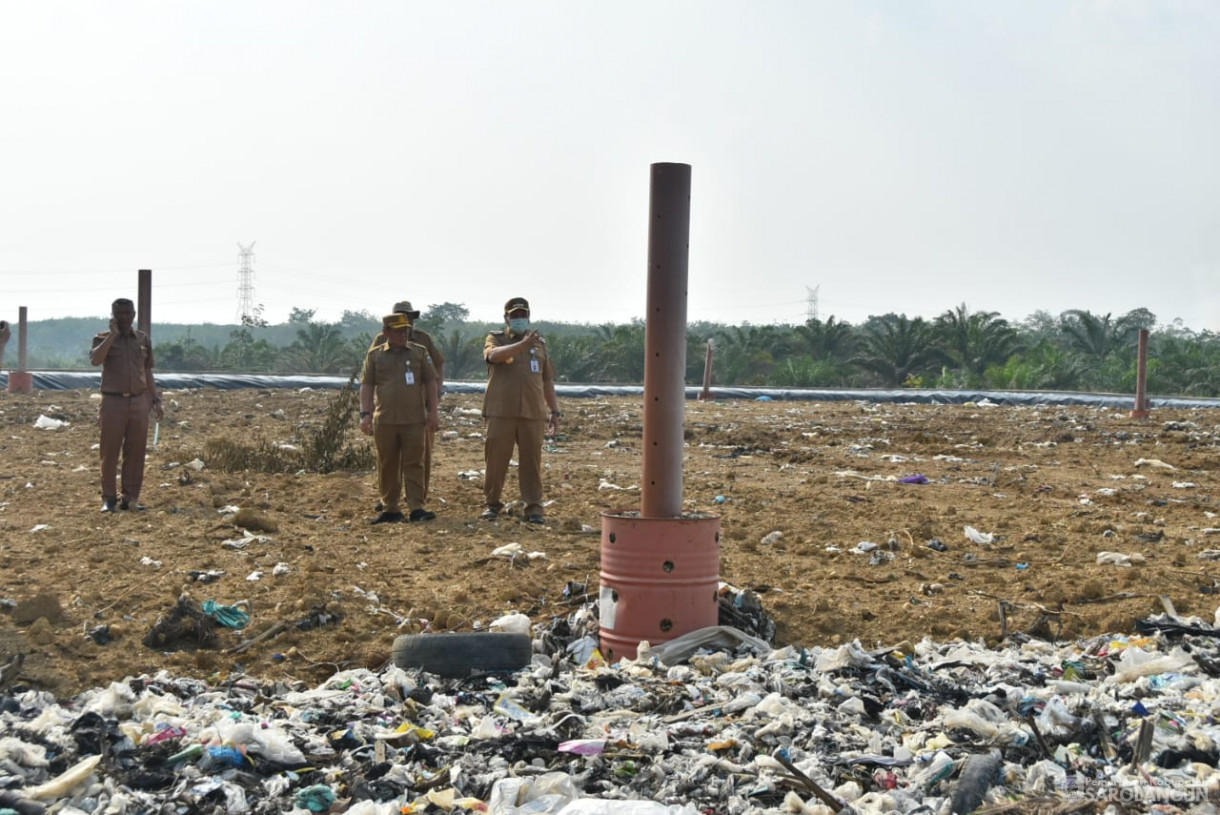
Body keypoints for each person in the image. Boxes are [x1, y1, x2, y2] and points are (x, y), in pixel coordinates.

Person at [481, 297, 561, 524]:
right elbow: (492, 356)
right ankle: (492, 504)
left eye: (522, 315)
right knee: (496, 461)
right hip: (500, 411)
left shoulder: (540, 345)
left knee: (531, 463)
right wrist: (522, 346)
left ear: (528, 316)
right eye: (514, 316)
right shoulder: (495, 339)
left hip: (532, 413)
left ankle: (534, 508)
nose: (519, 319)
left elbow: (547, 382)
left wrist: (555, 412)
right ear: (506, 318)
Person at [360, 312, 439, 524]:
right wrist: (364, 414)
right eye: (399, 331)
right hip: (385, 420)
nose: (404, 334)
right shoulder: (375, 356)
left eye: (406, 330)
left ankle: (416, 507)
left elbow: (431, 382)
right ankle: (390, 508)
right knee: (387, 464)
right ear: (386, 332)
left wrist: (433, 412)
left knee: (415, 463)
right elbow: (367, 386)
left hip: (414, 419)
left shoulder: (419, 353)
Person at [89, 298, 164, 512]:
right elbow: (95, 360)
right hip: (113, 402)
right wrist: (112, 335)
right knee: (110, 452)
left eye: (127, 313)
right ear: (113, 315)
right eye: (119, 313)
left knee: (136, 452)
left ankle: (130, 498)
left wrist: (155, 399)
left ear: (133, 315)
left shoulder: (141, 339)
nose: (123, 317)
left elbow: (147, 371)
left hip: (139, 401)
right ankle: (109, 499)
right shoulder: (102, 338)